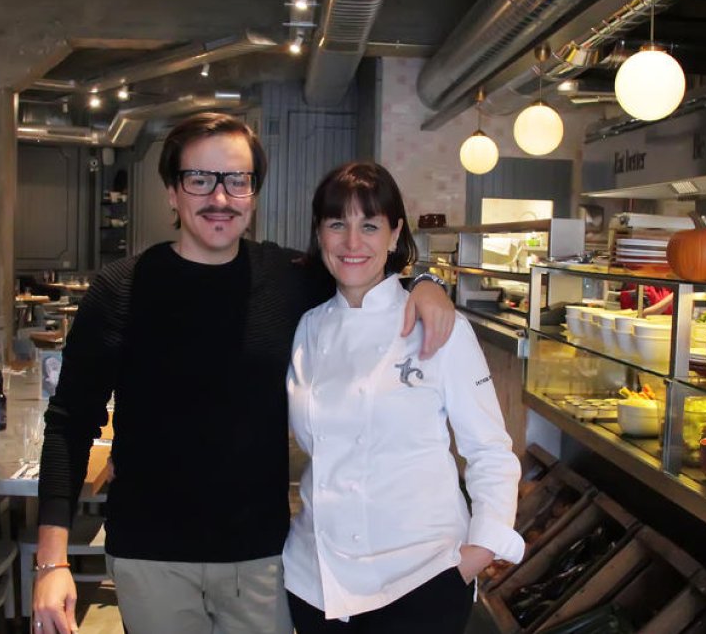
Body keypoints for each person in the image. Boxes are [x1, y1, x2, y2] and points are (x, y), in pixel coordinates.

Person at [32, 113, 456, 634]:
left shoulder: (288, 281)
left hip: (262, 558)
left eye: (237, 180)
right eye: (199, 179)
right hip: (150, 557)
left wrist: (425, 284)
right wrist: (52, 563)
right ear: (171, 191)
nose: (220, 197)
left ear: (253, 192)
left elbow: (364, 264)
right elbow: (70, 424)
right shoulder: (120, 289)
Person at [283, 162, 524, 633]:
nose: (353, 243)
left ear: (395, 235)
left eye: (369, 226)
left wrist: (476, 554)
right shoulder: (307, 327)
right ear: (319, 234)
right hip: (317, 581)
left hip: (421, 581)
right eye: (338, 224)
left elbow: (490, 451)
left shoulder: (440, 326)